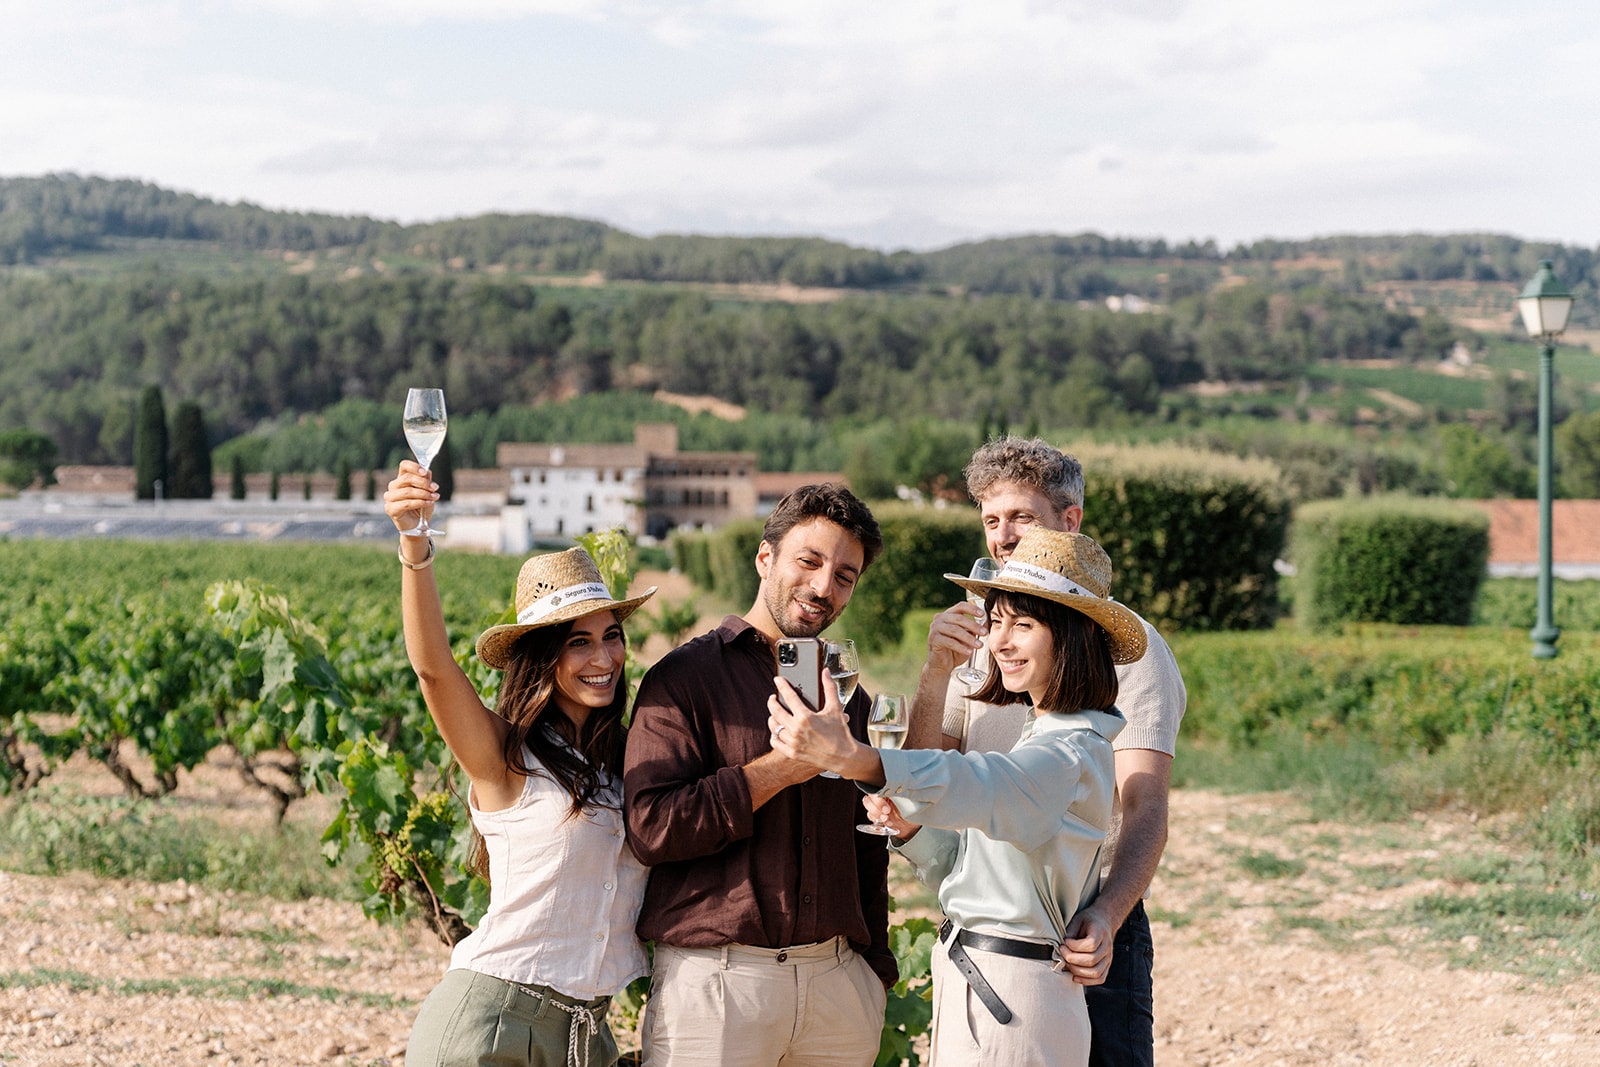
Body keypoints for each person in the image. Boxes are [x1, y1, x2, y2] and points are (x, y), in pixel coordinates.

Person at [770, 526, 1146, 1066]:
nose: (1001, 642)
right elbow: (972, 873)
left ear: (1072, 636)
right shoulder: (1044, 737)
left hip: (1010, 998)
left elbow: (980, 782)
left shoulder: (1071, 752)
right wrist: (914, 834)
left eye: (1024, 625)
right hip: (980, 983)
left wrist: (854, 759)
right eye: (996, 624)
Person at [903, 436, 1186, 1067]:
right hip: (987, 927)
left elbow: (1144, 807)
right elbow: (925, 778)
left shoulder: (1129, 655)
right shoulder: (980, 644)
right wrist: (935, 671)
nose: (1002, 537)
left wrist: (1109, 917)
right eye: (991, 520)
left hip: (1088, 925)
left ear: (1070, 521)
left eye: (1021, 517)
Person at [385, 459, 657, 1067]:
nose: (603, 657)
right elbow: (432, 668)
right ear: (541, 658)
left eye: (611, 635)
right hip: (488, 1025)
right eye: (577, 642)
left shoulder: (627, 767)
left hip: (588, 1038)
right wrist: (414, 544)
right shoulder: (506, 756)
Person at [622, 483, 896, 1067]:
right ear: (765, 559)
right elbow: (651, 827)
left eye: (846, 576)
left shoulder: (846, 698)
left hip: (838, 990)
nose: (825, 587)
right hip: (718, 991)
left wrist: (875, 974)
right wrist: (778, 771)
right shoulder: (684, 678)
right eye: (810, 561)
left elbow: (868, 848)